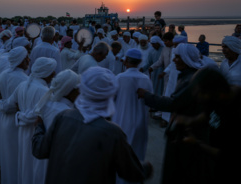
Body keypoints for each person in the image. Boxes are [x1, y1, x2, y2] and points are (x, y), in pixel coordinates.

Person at [32, 66, 153, 184]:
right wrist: (146, 167)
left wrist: (39, 126)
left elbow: (39, 150)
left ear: (82, 89)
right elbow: (132, 172)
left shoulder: (63, 117)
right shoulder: (112, 133)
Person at [137, 43, 205, 184]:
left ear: (186, 59)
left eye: (178, 57)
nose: (174, 60)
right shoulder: (188, 76)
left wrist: (147, 96)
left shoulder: (190, 80)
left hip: (184, 134)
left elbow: (172, 104)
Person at [170, 68, 241, 184]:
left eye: (202, 94)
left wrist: (197, 143)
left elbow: (224, 154)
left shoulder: (235, 112)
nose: (199, 98)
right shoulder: (215, 98)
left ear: (216, 92)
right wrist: (189, 120)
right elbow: (208, 115)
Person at [4, 57, 57, 184]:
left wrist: (19, 114)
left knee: (25, 162)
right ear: (46, 73)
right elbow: (40, 115)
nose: (54, 74)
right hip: (36, 132)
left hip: (23, 131)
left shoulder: (23, 85)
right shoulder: (44, 91)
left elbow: (10, 103)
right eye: (52, 71)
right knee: (35, 165)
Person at [0, 46, 30, 184]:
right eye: (26, 58)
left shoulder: (3, 74)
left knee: (8, 155)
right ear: (20, 60)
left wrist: (2, 102)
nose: (29, 60)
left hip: (5, 120)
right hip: (18, 121)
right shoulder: (24, 79)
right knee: (19, 155)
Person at [112, 49, 153, 184]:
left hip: (122, 120)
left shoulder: (119, 78)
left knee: (121, 156)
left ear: (125, 61)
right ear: (140, 62)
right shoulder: (146, 79)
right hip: (141, 122)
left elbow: (112, 99)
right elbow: (150, 101)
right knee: (137, 153)